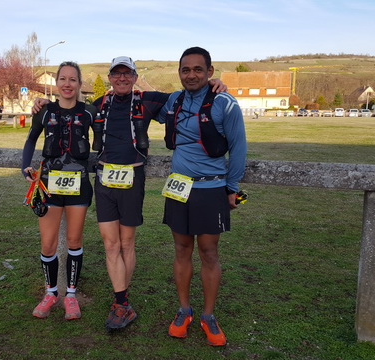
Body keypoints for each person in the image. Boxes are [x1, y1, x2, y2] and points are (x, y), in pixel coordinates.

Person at [33, 57, 227, 331]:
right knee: (110, 245)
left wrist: (213, 85)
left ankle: (122, 302)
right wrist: (41, 104)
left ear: (135, 77)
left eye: (127, 74)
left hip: (132, 179)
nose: (122, 78)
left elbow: (186, 95)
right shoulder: (98, 105)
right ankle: (121, 302)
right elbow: (69, 111)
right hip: (104, 180)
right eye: (117, 74)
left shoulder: (148, 100)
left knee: (126, 244)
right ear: (110, 77)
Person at [157, 46, 246, 346]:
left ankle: (208, 316)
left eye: (198, 69)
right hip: (178, 188)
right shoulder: (174, 100)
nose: (191, 74)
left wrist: (232, 188)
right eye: (186, 69)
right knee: (181, 250)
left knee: (208, 252)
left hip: (211, 188)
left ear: (209, 72)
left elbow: (239, 148)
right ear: (179, 73)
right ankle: (184, 310)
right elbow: (135, 102)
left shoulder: (225, 103)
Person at [21, 61, 96, 320]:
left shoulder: (89, 112)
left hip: (79, 185)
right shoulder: (44, 110)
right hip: (48, 185)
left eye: (72, 79)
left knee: (75, 241)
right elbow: (31, 139)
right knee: (48, 243)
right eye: (62, 79)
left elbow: (103, 140)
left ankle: (71, 296)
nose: (67, 84)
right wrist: (25, 167)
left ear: (79, 83)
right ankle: (51, 292)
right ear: (57, 83)